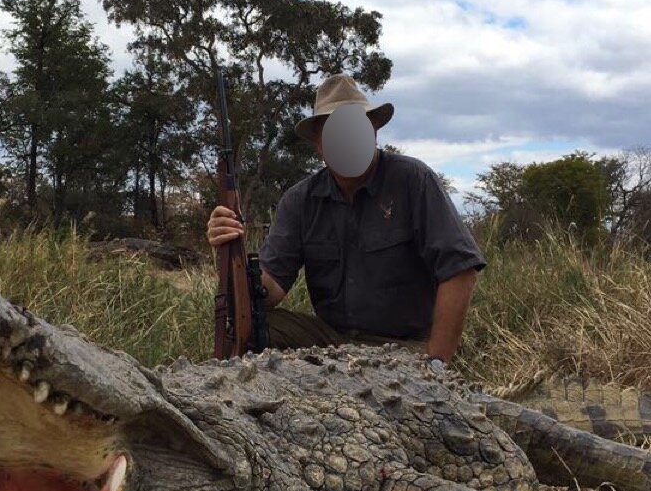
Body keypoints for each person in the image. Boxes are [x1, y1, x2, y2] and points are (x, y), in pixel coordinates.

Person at [206, 74, 485, 364]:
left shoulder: (414, 180)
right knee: (255, 328)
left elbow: (459, 270)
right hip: (332, 339)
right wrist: (230, 250)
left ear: (373, 131)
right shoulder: (299, 200)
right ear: (319, 142)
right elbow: (270, 290)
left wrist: (437, 364)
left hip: (405, 345)